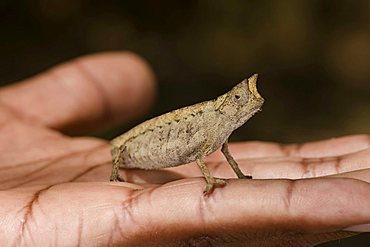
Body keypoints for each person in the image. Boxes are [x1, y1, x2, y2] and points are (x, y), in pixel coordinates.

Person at [0, 52, 368, 246]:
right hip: (135, 144)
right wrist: (208, 182)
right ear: (229, 102)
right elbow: (198, 153)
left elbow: (221, 149)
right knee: (130, 152)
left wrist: (238, 175)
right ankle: (116, 169)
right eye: (240, 99)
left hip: (155, 145)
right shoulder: (211, 116)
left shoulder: (221, 123)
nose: (247, 104)